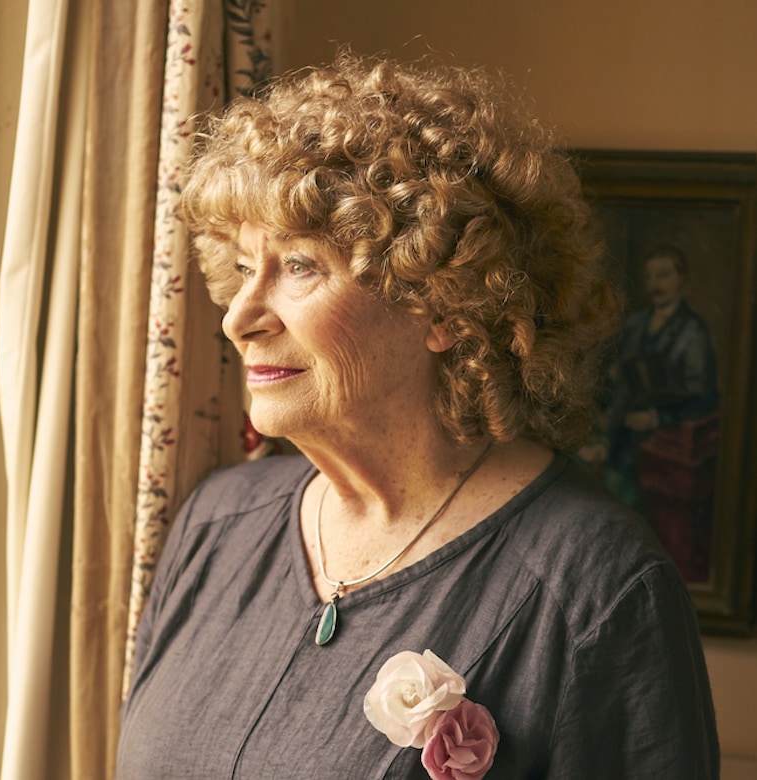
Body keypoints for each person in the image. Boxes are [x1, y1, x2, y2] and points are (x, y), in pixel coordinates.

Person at [115, 54, 718, 779]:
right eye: (245, 267)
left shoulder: (599, 589)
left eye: (300, 265)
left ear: (445, 306)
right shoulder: (216, 525)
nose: (239, 319)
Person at [590, 245, 719, 580]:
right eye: (650, 277)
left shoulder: (692, 332)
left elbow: (704, 399)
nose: (655, 284)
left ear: (681, 279)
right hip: (619, 424)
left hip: (664, 436)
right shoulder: (635, 325)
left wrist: (656, 419)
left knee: (617, 491)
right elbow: (617, 376)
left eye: (664, 275)